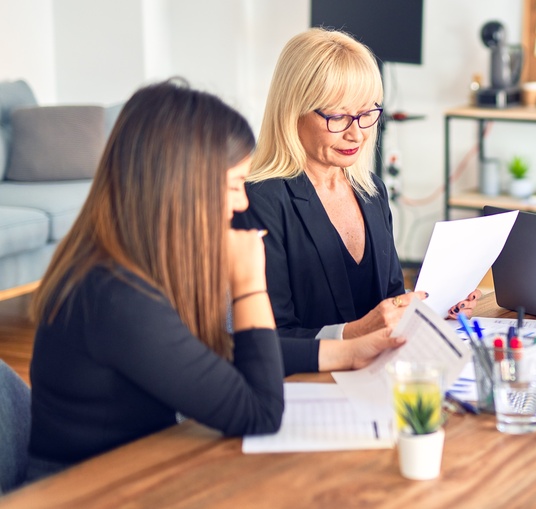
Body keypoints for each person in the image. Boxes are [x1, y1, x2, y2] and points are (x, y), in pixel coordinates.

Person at [25, 81, 286, 481]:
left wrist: (340, 350)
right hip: (83, 492)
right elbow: (260, 412)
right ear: (183, 186)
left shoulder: (124, 265)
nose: (242, 203)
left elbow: (217, 361)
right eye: (234, 185)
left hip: (131, 473)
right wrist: (251, 283)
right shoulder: (115, 298)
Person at [237, 28, 480, 341]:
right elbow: (270, 340)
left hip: (380, 372)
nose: (357, 134)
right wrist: (353, 334)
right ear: (292, 111)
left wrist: (431, 309)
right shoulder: (261, 201)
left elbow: (389, 300)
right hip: (313, 382)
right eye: (338, 117)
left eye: (367, 113)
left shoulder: (371, 191)